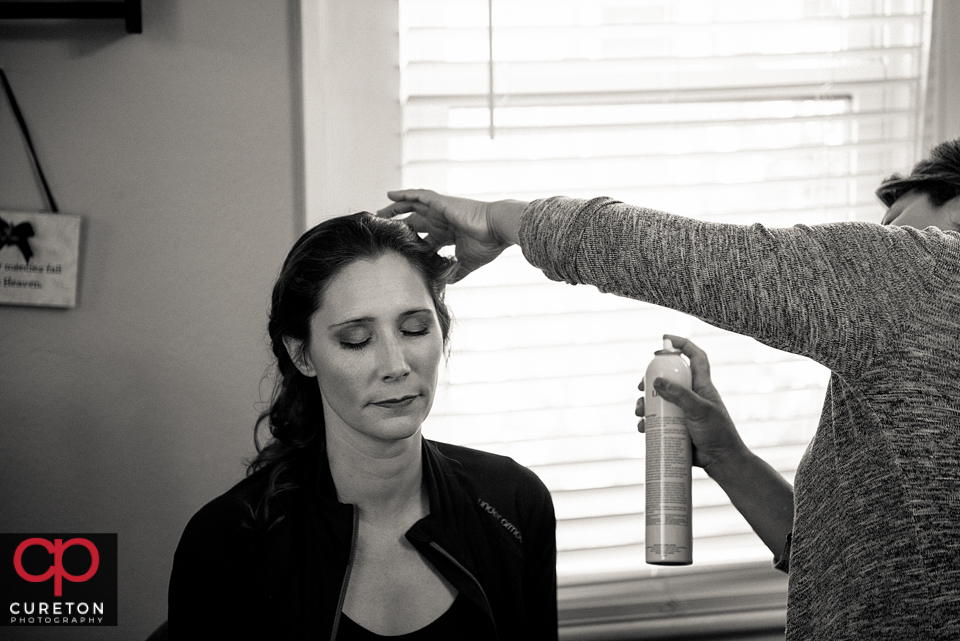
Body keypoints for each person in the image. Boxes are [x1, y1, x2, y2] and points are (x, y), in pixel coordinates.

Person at [378, 138, 960, 640]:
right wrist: (728, 457)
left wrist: (497, 218)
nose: (886, 246)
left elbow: (681, 256)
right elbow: (862, 572)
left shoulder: (934, 274)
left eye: (893, 226)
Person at [167, 213, 558, 640]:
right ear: (302, 355)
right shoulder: (228, 543)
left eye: (414, 329)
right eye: (356, 339)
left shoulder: (514, 502)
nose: (396, 366)